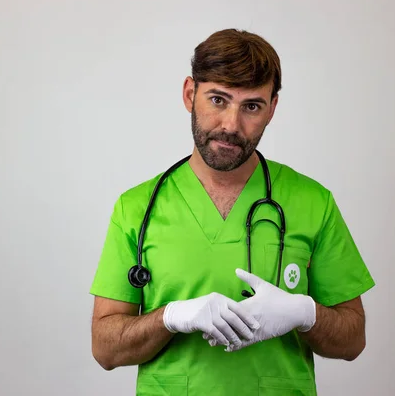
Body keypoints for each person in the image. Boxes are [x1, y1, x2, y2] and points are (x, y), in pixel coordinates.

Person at [89, 28, 375, 395]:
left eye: (251, 106)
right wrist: (170, 318)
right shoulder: (137, 208)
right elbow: (105, 348)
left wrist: (306, 314)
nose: (231, 125)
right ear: (190, 94)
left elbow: (352, 341)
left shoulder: (312, 202)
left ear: (272, 109)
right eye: (218, 100)